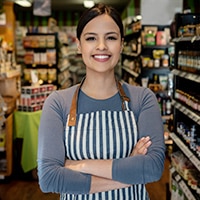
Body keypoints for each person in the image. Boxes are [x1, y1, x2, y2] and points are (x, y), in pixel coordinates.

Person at [37, 3, 165, 200]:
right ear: (79, 45)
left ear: (122, 44)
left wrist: (80, 165)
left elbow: (153, 168)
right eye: (91, 38)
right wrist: (131, 166)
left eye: (111, 38)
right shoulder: (57, 103)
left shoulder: (143, 99)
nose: (102, 46)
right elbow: (50, 179)